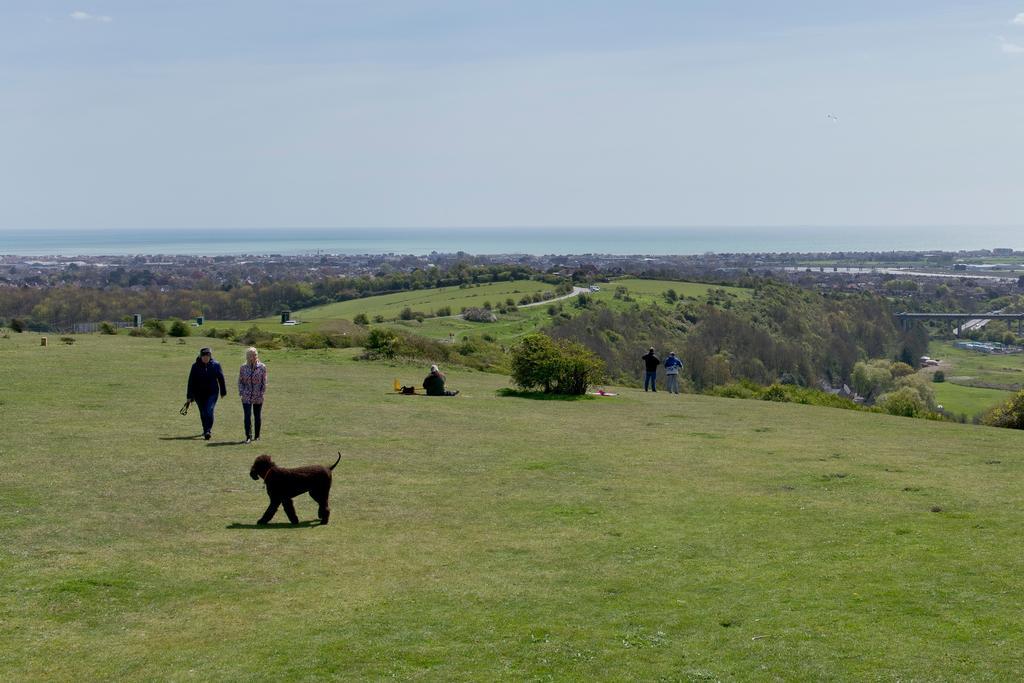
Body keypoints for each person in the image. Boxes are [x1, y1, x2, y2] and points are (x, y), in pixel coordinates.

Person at [186, 347, 227, 440]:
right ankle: (205, 430)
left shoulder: (216, 365)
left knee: (209, 410)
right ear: (200, 356)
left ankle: (207, 431)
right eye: (203, 356)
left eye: (207, 356)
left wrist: (223, 391)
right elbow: (191, 381)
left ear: (210, 356)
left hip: (212, 392)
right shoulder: (195, 366)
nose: (205, 358)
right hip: (198, 394)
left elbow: (221, 378)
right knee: (203, 412)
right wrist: (189, 396)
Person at [238, 347, 267, 444]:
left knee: (257, 415)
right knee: (247, 416)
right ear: (248, 356)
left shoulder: (262, 367)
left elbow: (264, 381)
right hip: (246, 395)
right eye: (251, 355)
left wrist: (262, 393)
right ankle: (248, 436)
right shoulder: (243, 367)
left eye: (255, 354)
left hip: (258, 395)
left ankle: (257, 435)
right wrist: (241, 393)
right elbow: (240, 381)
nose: (253, 357)